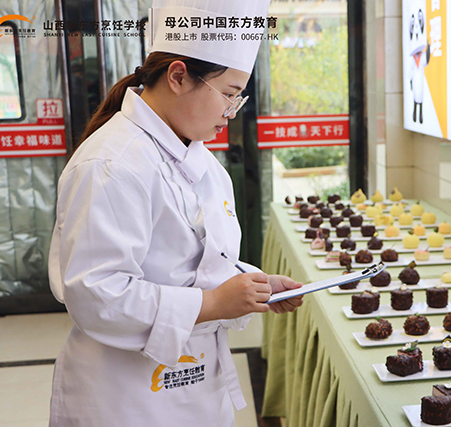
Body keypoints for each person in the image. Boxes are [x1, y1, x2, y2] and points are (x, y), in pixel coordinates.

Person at [47, 0, 303, 425]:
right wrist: (213, 302)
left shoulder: (201, 160)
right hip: (126, 397)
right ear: (179, 76)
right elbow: (97, 293)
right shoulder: (112, 164)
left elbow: (194, 257)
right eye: (228, 95)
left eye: (237, 99)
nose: (230, 112)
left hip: (194, 383)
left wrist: (250, 283)